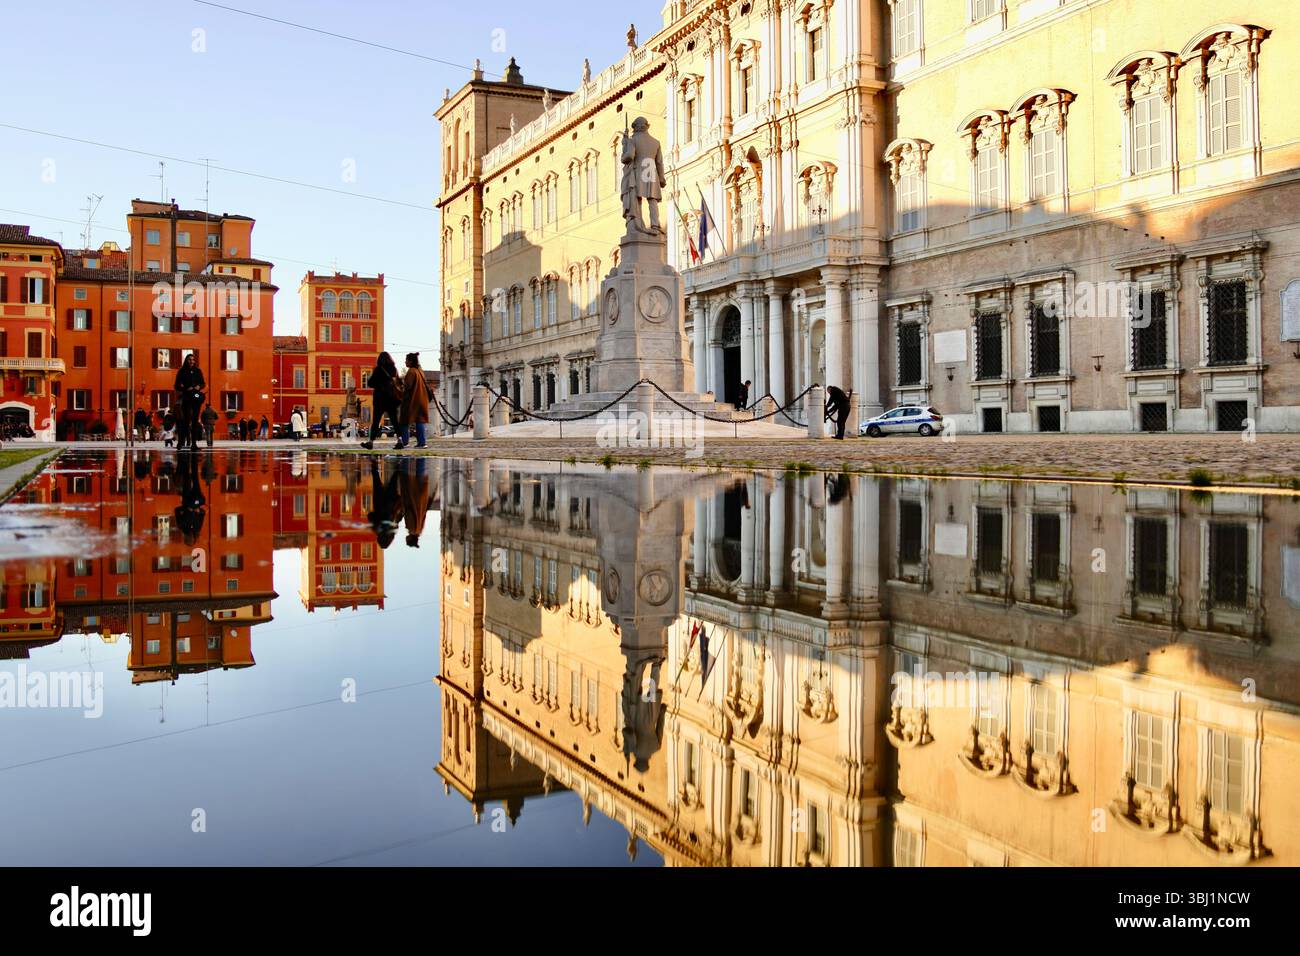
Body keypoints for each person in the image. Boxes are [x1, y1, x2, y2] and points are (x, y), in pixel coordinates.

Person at [361, 351, 403, 451]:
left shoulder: (379, 369)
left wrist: (378, 384)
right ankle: (400, 440)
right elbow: (398, 382)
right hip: (392, 399)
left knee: (376, 421)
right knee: (395, 421)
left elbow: (370, 383)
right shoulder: (394, 369)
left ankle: (370, 442)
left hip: (380, 399)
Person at [173, 353, 205, 451]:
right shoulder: (182, 371)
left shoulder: (198, 371)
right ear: (186, 360)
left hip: (196, 397)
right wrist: (186, 388)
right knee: (186, 421)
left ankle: (194, 444)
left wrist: (199, 386)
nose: (192, 361)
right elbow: (176, 385)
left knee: (195, 421)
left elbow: (203, 383)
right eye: (189, 359)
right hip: (187, 397)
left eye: (193, 359)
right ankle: (180, 442)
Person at [397, 353, 430, 450]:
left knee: (404, 421)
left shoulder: (411, 371)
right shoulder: (420, 371)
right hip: (421, 399)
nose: (405, 361)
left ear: (410, 361)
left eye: (406, 360)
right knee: (420, 420)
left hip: (412, 400)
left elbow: (407, 387)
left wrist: (400, 387)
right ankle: (422, 443)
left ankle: (405, 442)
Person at [398, 457, 431, 547]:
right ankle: (405, 458)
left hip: (420, 501)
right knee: (406, 476)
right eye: (407, 540)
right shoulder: (412, 529)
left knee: (420, 476)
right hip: (412, 497)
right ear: (410, 539)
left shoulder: (420, 530)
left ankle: (421, 459)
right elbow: (408, 512)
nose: (405, 538)